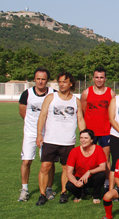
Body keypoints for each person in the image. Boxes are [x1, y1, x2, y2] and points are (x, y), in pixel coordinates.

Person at [35, 71, 86, 206]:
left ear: (71, 84)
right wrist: (39, 133)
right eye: (60, 82)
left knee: (66, 168)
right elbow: (42, 116)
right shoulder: (50, 98)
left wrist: (84, 136)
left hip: (67, 141)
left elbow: (80, 119)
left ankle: (63, 192)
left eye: (64, 82)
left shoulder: (76, 101)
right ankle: (42, 194)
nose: (61, 84)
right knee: (45, 166)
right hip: (50, 140)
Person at [18, 66, 55, 202]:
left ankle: (49, 189)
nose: (40, 82)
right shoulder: (27, 94)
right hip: (30, 133)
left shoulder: (53, 93)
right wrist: (34, 128)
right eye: (38, 79)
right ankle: (24, 189)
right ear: (34, 79)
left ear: (47, 81)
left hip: (48, 134)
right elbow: (23, 113)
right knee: (26, 161)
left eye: (43, 79)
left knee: (48, 163)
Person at [80, 67, 115, 189]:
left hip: (106, 131)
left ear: (105, 79)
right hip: (90, 132)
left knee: (106, 159)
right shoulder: (86, 93)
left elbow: (113, 113)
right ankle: (85, 183)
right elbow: (83, 112)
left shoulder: (111, 93)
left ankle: (106, 184)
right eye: (96, 77)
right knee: (87, 158)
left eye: (101, 77)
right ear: (93, 78)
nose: (99, 80)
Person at [65, 129, 106, 203]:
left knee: (101, 175)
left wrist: (89, 172)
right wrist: (75, 182)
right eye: (81, 138)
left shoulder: (98, 149)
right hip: (79, 178)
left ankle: (96, 196)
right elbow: (68, 172)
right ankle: (78, 195)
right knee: (69, 185)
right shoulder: (74, 151)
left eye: (86, 138)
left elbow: (103, 167)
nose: (83, 140)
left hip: (92, 177)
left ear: (91, 140)